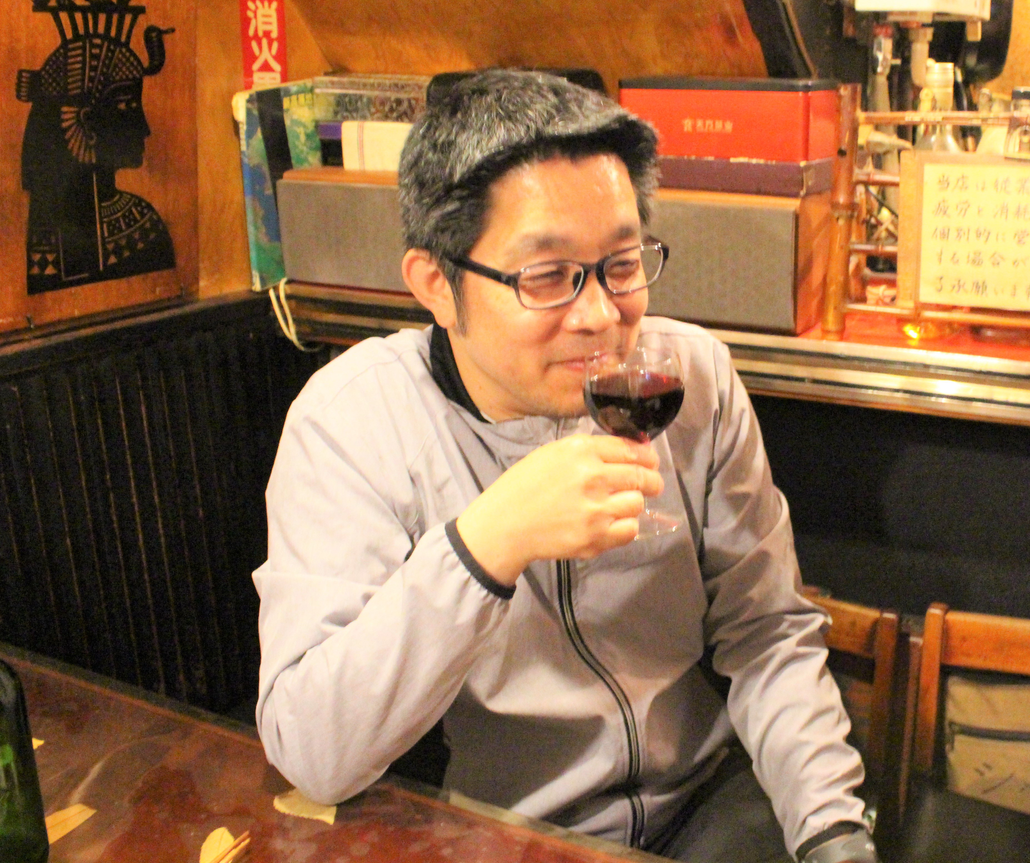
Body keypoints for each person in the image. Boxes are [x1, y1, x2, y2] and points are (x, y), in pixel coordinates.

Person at [254, 69, 878, 863]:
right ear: (437, 285)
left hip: (704, 808)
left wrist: (831, 833)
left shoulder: (693, 377)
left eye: (622, 264)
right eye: (546, 277)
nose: (599, 315)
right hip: (492, 836)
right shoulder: (352, 423)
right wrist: (486, 544)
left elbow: (766, 631)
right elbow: (313, 751)